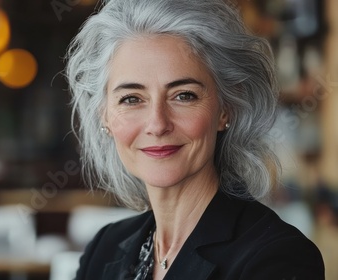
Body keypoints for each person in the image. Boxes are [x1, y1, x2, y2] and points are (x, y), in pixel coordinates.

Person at [65, 0, 325, 279]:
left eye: (183, 95)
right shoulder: (104, 249)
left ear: (226, 107)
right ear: (104, 115)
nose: (157, 124)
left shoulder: (277, 258)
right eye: (131, 99)